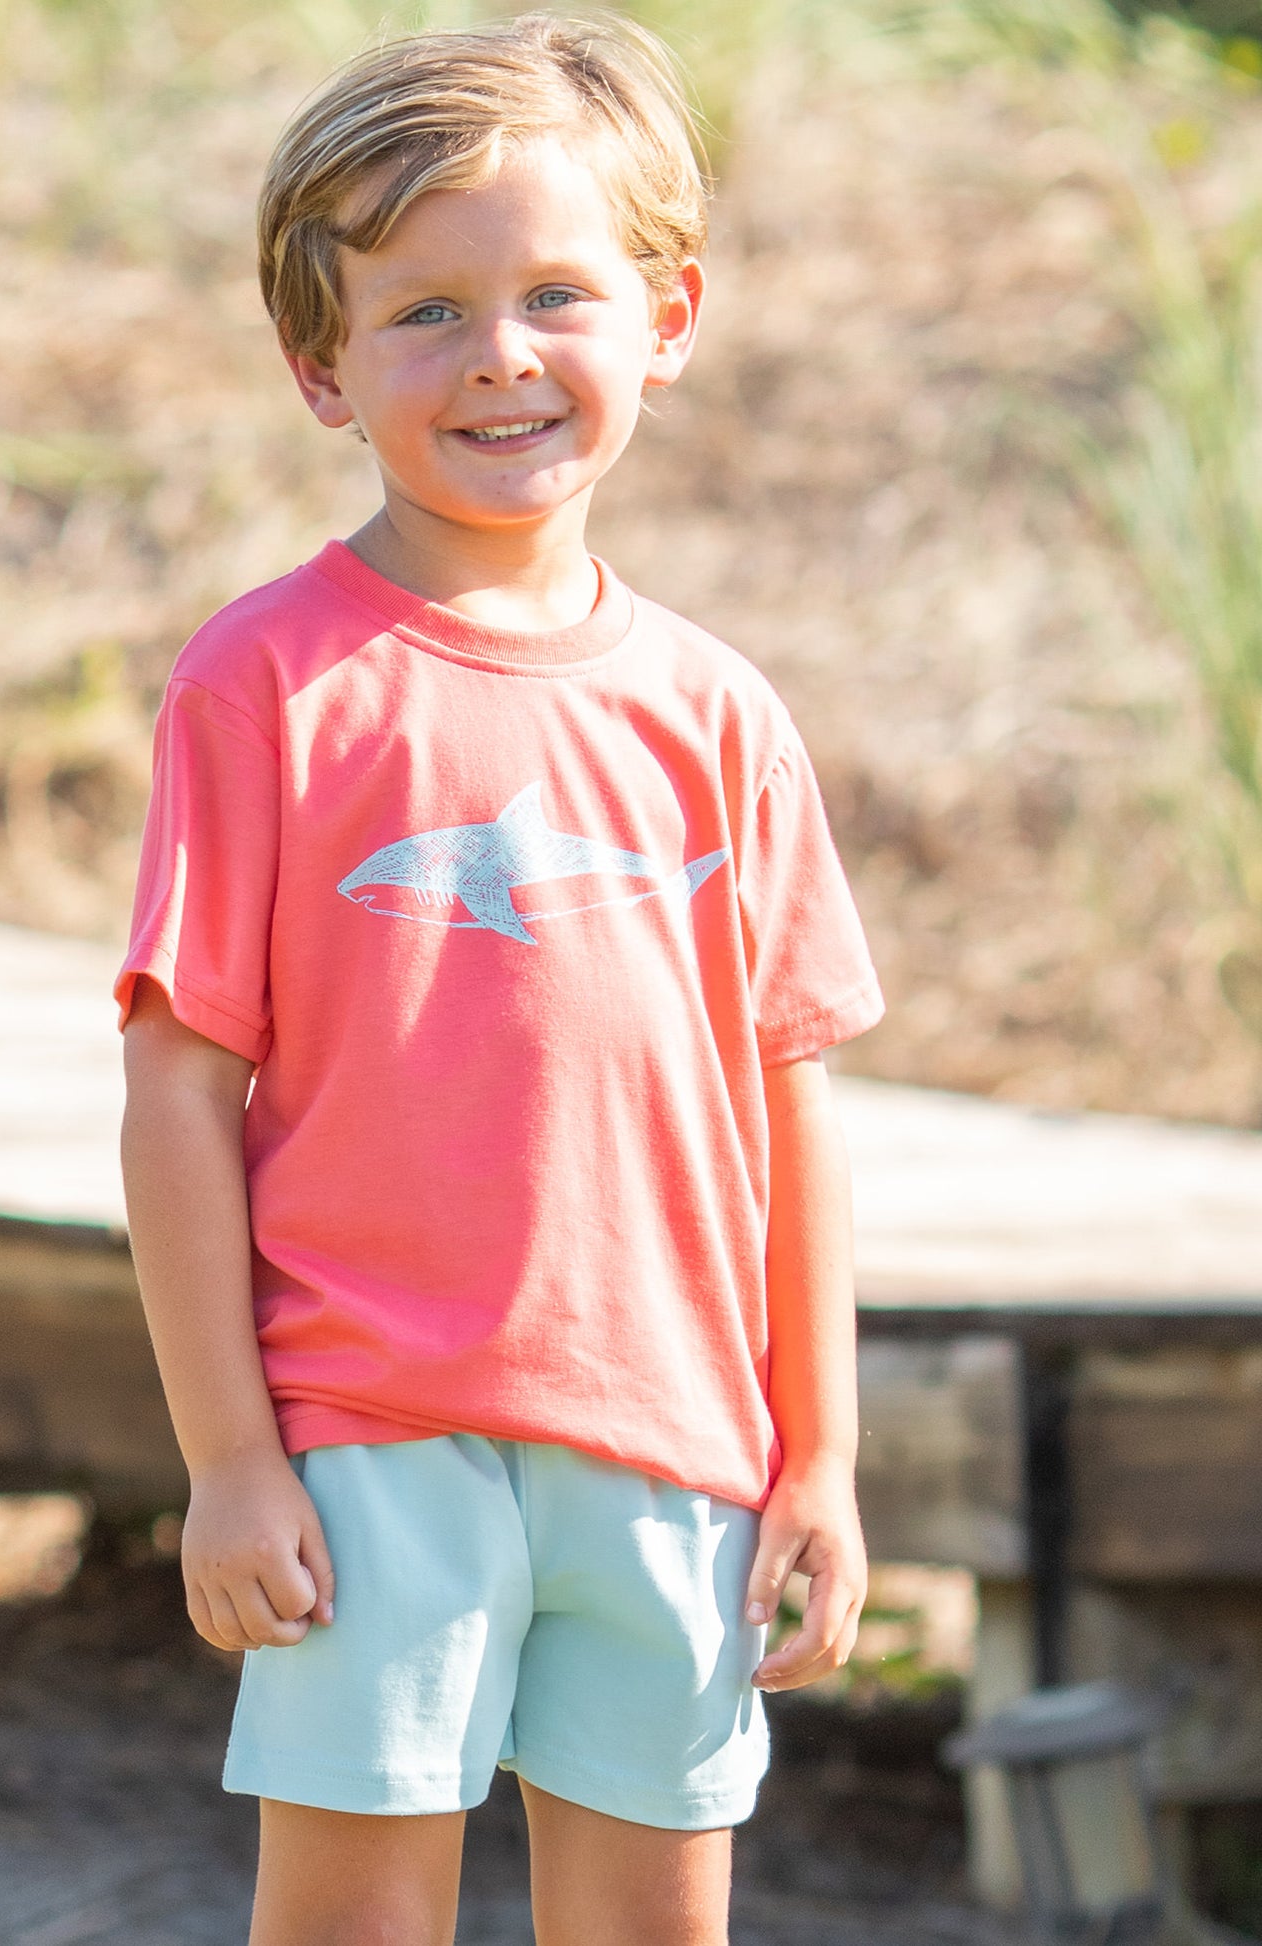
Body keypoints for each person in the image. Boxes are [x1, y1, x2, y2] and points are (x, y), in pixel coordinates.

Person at [116, 15, 885, 1943]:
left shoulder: (718, 712)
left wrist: (823, 1450)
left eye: (557, 292)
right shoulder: (267, 683)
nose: (501, 355)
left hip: (673, 1443)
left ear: (668, 315)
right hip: (371, 1438)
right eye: (424, 313)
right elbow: (176, 1091)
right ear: (321, 367)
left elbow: (788, 1095)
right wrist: (227, 1455)